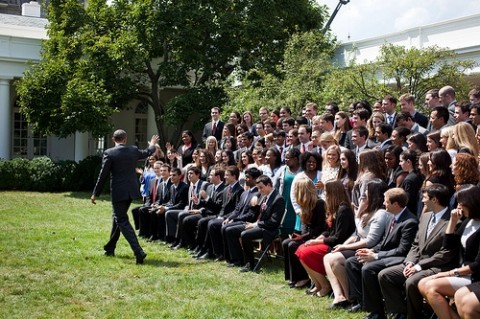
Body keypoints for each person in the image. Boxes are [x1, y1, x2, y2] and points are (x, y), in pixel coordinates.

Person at [379, 184, 457, 319]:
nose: (422, 201)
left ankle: (413, 316)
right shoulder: (425, 217)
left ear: (435, 200)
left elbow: (445, 254)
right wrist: (410, 262)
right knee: (385, 275)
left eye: (425, 197)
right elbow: (416, 244)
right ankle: (400, 313)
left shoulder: (453, 221)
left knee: (411, 282)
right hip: (416, 264)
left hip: (437, 267)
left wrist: (418, 266)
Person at [345, 187, 418, 318]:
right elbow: (384, 241)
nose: (383, 203)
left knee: (368, 268)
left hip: (399, 258)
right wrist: (371, 250)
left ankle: (377, 311)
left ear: (395, 204)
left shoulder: (409, 222)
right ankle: (362, 302)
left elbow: (402, 250)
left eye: (386, 201)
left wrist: (375, 256)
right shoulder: (392, 217)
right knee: (352, 262)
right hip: (385, 254)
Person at [91, 129, 159, 264]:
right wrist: (152, 144)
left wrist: (95, 193)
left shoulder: (109, 153)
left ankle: (138, 251)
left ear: (113, 139)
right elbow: (147, 152)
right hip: (131, 191)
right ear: (125, 139)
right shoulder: (133, 150)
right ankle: (110, 248)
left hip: (119, 192)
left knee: (121, 219)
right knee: (117, 217)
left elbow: (103, 175)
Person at [324, 179, 389, 309]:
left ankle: (351, 297)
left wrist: (344, 247)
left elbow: (370, 241)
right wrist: (342, 245)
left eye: (366, 191)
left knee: (336, 260)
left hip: (369, 249)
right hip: (359, 245)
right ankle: (339, 296)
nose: (363, 194)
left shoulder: (380, 214)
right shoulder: (366, 211)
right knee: (329, 256)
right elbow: (356, 234)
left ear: (374, 194)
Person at [419, 185, 480, 319]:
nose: (458, 206)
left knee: (431, 285)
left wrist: (447, 273)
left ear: (471, 203)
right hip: (465, 273)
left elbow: (477, 265)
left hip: (474, 275)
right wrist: (452, 221)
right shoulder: (468, 221)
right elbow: (448, 245)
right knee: (423, 284)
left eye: (460, 203)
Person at [295, 180, 356, 297]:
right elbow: (328, 231)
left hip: (338, 246)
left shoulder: (344, 210)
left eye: (327, 192)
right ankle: (318, 284)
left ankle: (325, 285)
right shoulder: (335, 208)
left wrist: (318, 241)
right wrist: (317, 239)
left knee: (304, 252)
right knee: (301, 249)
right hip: (331, 242)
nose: (325, 195)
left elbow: (338, 238)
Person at [283, 177, 326, 288]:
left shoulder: (319, 203)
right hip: (308, 235)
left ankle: (303, 277)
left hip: (317, 237)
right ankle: (292, 277)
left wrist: (303, 237)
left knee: (292, 245)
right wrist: (299, 236)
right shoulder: (304, 204)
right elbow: (304, 225)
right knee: (286, 242)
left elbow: (321, 227)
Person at [239, 175, 285, 272]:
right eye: (258, 188)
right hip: (262, 225)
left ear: (268, 185)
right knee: (236, 229)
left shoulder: (278, 199)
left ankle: (250, 263)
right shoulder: (266, 196)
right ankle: (238, 258)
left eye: (261, 188)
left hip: (270, 230)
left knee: (245, 234)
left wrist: (255, 225)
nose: (259, 190)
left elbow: (274, 221)